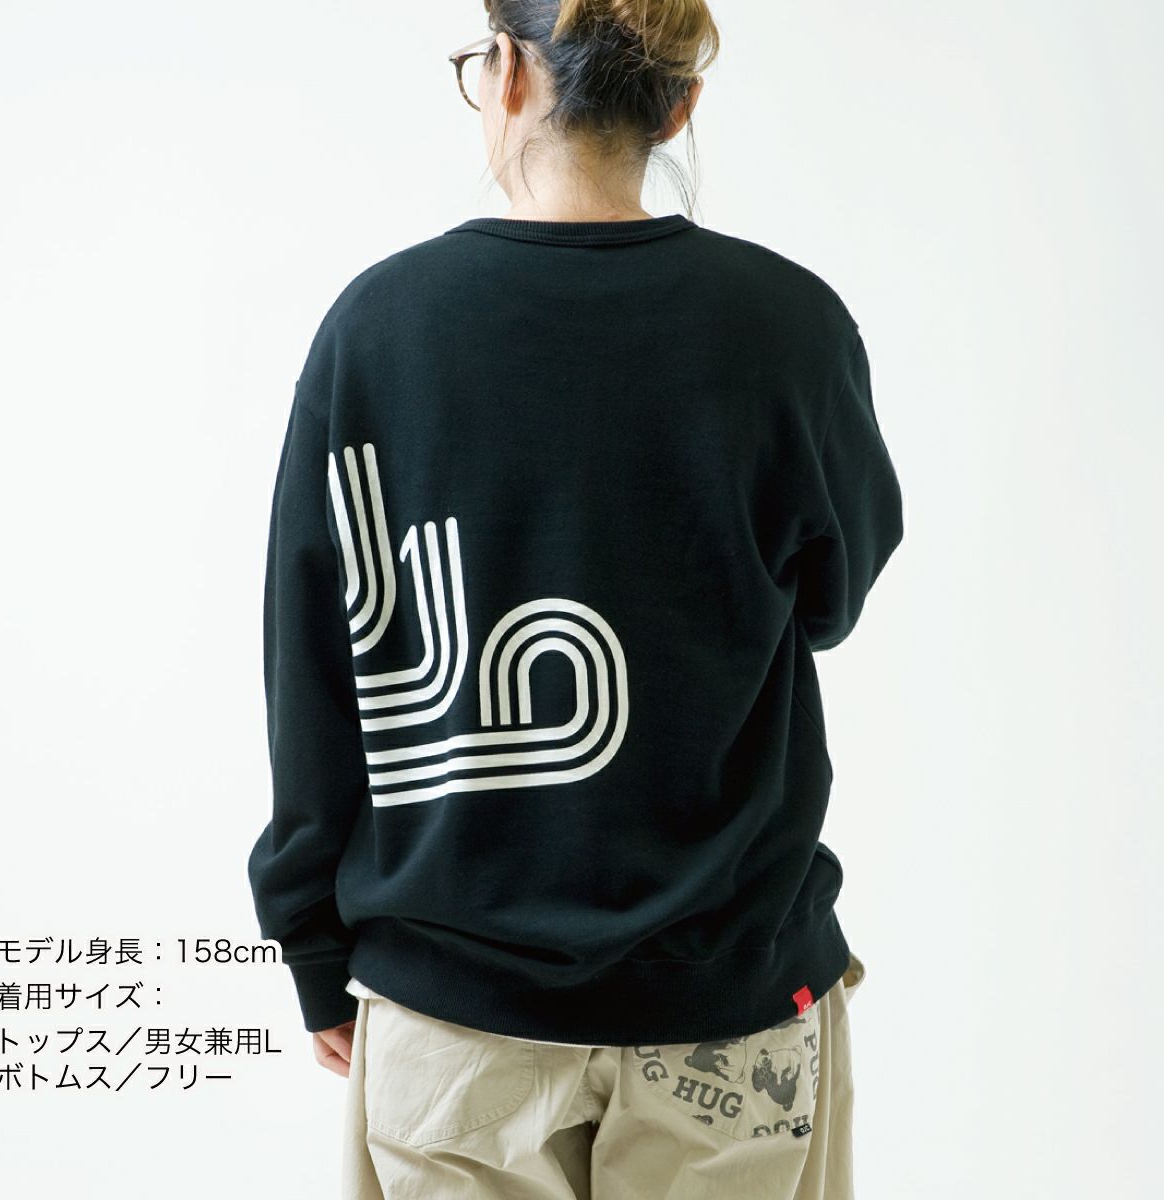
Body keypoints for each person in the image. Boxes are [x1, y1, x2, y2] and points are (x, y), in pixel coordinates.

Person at [246, 1, 903, 1196]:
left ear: (506, 71)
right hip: (730, 1001)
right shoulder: (787, 327)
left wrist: (309, 941)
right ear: (679, 106)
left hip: (454, 1011)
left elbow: (312, 662)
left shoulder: (378, 330)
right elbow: (832, 601)